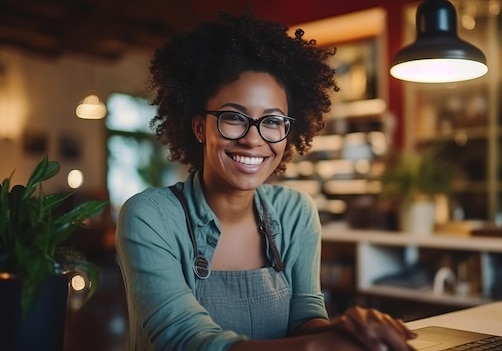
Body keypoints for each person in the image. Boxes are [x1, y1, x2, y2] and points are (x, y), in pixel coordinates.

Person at [115, 12, 417, 351]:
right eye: (233, 118)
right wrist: (318, 347)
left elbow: (305, 318)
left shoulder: (295, 212)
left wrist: (348, 331)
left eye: (272, 121)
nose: (254, 139)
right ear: (200, 127)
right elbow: (186, 339)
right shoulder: (150, 217)